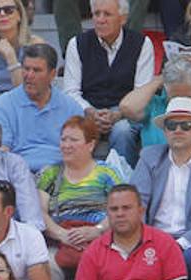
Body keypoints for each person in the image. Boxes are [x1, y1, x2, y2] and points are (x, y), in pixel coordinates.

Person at [128, 96, 191, 280]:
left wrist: (179, 244)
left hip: (189, 242)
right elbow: (136, 204)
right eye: (172, 125)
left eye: (186, 125)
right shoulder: (149, 157)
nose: (178, 131)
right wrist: (147, 240)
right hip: (151, 237)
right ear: (164, 131)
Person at [61, 0, 155, 164]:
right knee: (73, 131)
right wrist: (90, 112)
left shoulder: (142, 44)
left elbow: (141, 93)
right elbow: (70, 91)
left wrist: (118, 114)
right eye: (97, 14)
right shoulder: (77, 44)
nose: (100, 19)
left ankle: (122, 183)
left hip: (126, 113)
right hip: (88, 111)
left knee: (122, 130)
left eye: (107, 14)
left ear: (123, 18)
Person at [0, 44, 85, 173]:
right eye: (26, 69)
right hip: (20, 175)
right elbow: (3, 151)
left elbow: (78, 152)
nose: (29, 75)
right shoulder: (3, 105)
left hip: (62, 174)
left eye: (36, 70)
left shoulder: (71, 107)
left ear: (52, 74)